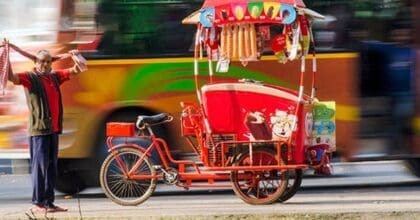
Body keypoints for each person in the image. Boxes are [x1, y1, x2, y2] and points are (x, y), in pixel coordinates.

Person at [4, 40, 87, 213]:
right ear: (36, 62)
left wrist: (75, 56)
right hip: (39, 130)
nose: (45, 64)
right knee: (39, 166)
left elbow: (76, 71)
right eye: (42, 61)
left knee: (51, 167)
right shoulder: (30, 77)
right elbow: (12, 77)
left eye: (48, 61)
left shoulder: (55, 77)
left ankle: (49, 203)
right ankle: (37, 202)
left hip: (54, 129)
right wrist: (6, 57)